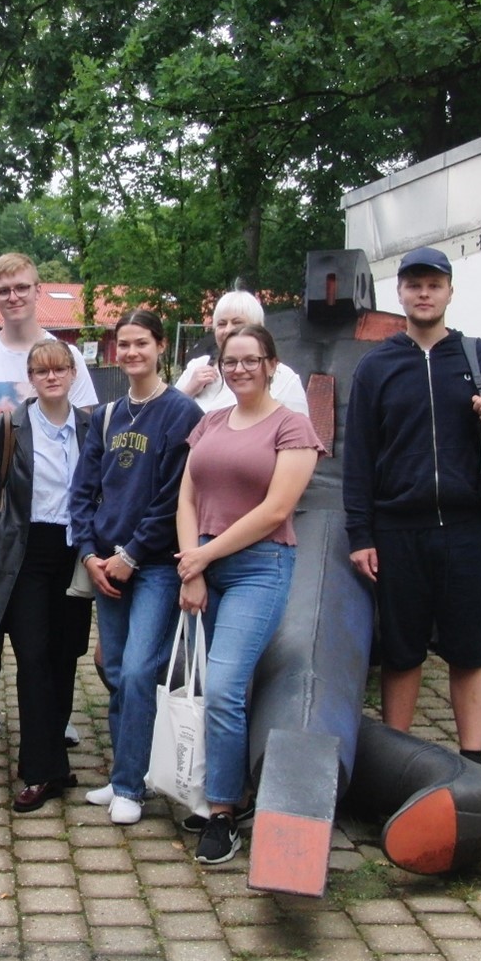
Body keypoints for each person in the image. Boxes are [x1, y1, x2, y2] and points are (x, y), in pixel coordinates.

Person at [344, 246, 481, 768]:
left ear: (449, 291)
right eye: (414, 285)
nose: (424, 293)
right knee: (403, 651)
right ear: (401, 294)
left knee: (469, 649)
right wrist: (361, 534)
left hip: (469, 527)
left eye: (434, 284)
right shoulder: (377, 366)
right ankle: (398, 760)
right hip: (398, 530)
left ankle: (472, 760)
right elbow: (359, 458)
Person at [175, 324, 324, 864]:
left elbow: (276, 511)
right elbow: (186, 498)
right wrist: (192, 567)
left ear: (270, 365)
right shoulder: (210, 422)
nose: (239, 369)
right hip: (203, 565)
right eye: (230, 360)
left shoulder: (294, 428)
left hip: (259, 567)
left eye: (250, 360)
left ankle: (222, 813)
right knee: (205, 687)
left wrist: (205, 557)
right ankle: (214, 787)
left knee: (223, 688)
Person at [0, 252, 98, 747]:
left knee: (55, 624)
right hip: (1, 509)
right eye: (4, 290)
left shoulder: (65, 356)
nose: (14, 297)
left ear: (38, 290)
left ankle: (53, 709)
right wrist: (5, 494)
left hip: (56, 516)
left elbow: (86, 434)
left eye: (22, 287)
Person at [70, 309, 202, 825]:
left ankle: (129, 785)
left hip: (154, 566)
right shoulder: (105, 415)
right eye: (123, 344)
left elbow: (173, 498)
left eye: (140, 343)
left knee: (143, 668)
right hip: (105, 564)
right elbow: (83, 491)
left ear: (160, 346)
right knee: (120, 670)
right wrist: (89, 554)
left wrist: (130, 555)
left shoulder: (181, 413)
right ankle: (131, 771)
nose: (130, 353)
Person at [0, 338, 93, 813]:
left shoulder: (89, 425)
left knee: (65, 656)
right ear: (31, 378)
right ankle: (39, 770)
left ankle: (54, 762)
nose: (52, 377)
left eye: (60, 369)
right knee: (34, 657)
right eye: (42, 371)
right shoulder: (9, 425)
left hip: (75, 552)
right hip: (24, 554)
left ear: (73, 374)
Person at [174, 291, 309, 416]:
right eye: (221, 323)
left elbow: (300, 433)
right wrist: (189, 390)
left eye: (237, 323)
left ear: (258, 328)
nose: (228, 330)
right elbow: (167, 415)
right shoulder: (197, 366)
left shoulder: (283, 377)